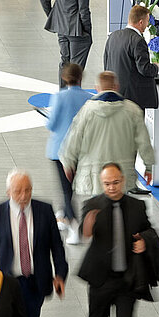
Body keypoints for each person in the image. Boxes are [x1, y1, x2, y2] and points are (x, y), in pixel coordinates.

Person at [78, 162, 159, 317]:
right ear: (101, 183)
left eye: (115, 182)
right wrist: (88, 223)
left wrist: (144, 241)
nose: (112, 187)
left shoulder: (137, 206)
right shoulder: (92, 205)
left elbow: (149, 231)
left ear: (123, 180)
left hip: (127, 279)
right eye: (107, 183)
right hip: (100, 280)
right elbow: (83, 233)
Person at [0, 170, 68, 317]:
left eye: (28, 190)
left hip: (34, 284)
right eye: (18, 191)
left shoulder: (44, 211)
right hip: (5, 283)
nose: (23, 196)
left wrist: (60, 275)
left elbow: (56, 246)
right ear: (8, 192)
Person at [60, 71, 155, 196]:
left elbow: (74, 138)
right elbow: (144, 141)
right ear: (116, 87)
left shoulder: (87, 110)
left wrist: (68, 163)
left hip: (93, 177)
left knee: (96, 212)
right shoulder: (132, 110)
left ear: (97, 88)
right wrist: (148, 166)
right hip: (122, 176)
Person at [45, 63, 92, 243]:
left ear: (64, 78)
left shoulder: (59, 97)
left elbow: (51, 124)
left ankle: (74, 225)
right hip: (80, 150)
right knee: (71, 187)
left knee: (66, 189)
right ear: (81, 77)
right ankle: (64, 215)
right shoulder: (89, 98)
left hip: (59, 150)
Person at [40, 0, 92, 84]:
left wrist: (54, 17)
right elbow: (84, 12)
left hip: (61, 30)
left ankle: (62, 92)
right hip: (77, 32)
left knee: (64, 61)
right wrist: (87, 30)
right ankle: (75, 93)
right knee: (77, 66)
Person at [103, 4, 159, 111]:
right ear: (141, 22)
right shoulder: (138, 40)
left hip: (114, 95)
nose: (147, 25)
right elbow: (144, 69)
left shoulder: (113, 36)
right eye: (147, 21)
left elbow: (106, 62)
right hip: (133, 99)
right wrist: (156, 67)